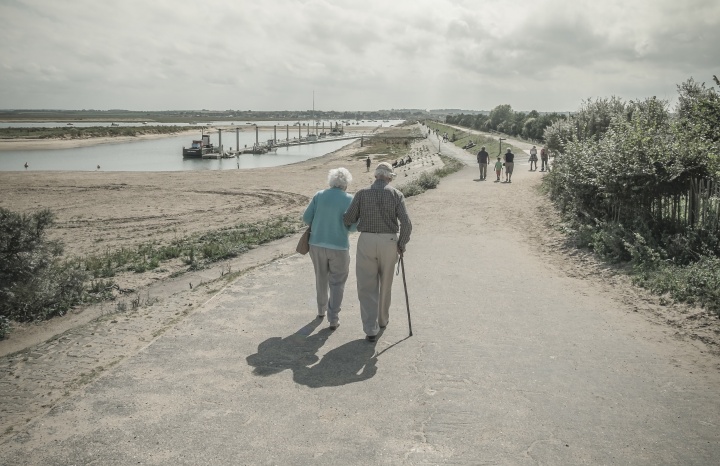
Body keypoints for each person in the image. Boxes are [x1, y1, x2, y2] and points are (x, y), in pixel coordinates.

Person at [343, 162, 412, 342]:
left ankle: (370, 328)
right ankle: (382, 319)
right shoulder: (396, 194)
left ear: (375, 176)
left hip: (366, 239)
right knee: (386, 283)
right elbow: (407, 223)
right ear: (389, 177)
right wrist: (402, 244)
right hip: (389, 241)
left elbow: (349, 218)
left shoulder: (362, 193)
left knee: (366, 285)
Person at [302, 168, 357, 331]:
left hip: (316, 244)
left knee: (321, 278)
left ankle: (321, 310)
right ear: (346, 184)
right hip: (339, 246)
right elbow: (353, 227)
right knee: (337, 282)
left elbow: (306, 218)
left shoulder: (319, 195)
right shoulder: (349, 199)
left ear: (331, 181)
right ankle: (333, 318)